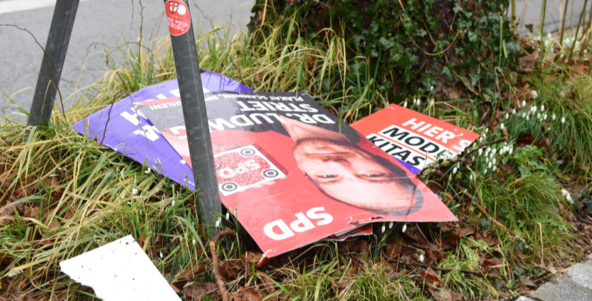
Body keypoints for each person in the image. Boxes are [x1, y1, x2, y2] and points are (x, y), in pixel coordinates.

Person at [159, 112, 423, 216]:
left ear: (307, 176)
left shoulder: (249, 143)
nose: (338, 164)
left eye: (329, 177)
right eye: (371, 174)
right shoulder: (335, 118)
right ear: (378, 158)